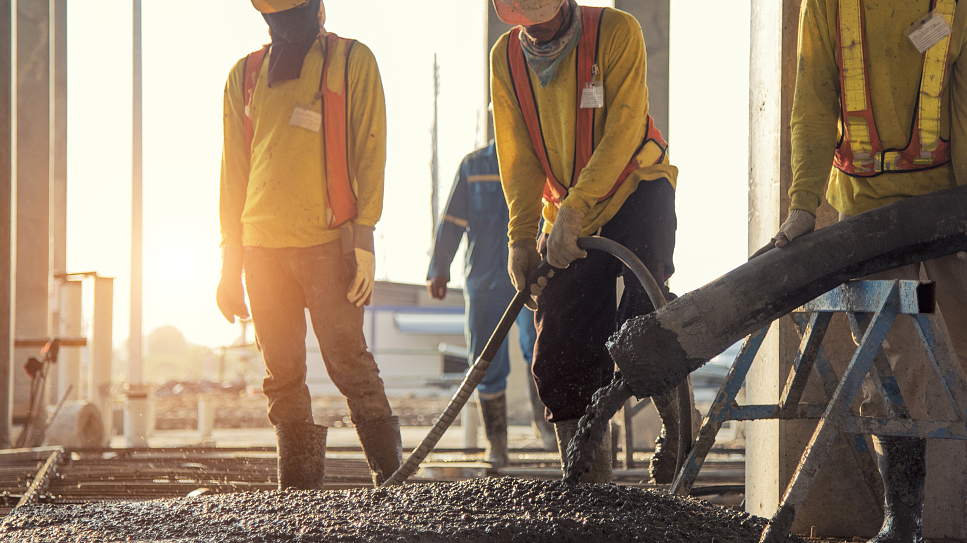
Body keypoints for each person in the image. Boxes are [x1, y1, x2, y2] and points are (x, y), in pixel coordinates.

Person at [779, 0, 967, 543]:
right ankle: (903, 519)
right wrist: (803, 205)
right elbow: (812, 101)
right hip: (867, 213)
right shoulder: (829, 6)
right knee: (896, 368)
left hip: (948, 204)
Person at [490, 0, 683, 483]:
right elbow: (518, 157)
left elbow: (622, 130)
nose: (539, 33)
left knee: (644, 315)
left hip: (637, 188)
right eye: (527, 25)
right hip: (568, 215)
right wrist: (521, 237)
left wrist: (574, 212)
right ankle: (588, 488)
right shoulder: (507, 58)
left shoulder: (618, 31)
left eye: (547, 22)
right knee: (559, 344)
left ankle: (679, 426)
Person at [217, 0, 401, 489]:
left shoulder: (350, 61)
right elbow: (233, 175)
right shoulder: (245, 75)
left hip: (327, 246)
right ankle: (298, 496)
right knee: (282, 377)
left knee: (350, 365)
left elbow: (371, 149)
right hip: (261, 253)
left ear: (319, 11)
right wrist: (229, 262)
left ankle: (392, 482)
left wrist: (364, 238)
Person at [427, 140, 559, 468]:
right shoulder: (473, 167)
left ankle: (545, 425)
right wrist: (439, 270)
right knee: (486, 361)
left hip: (533, 277)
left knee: (542, 350)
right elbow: (452, 223)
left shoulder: (542, 160)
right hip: (486, 282)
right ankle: (497, 444)